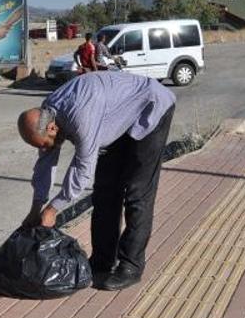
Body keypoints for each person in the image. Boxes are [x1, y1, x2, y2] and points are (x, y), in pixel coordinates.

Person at [17, 71, 175, 291]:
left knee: (137, 193)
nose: (46, 148)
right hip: (117, 118)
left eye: (45, 142)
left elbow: (82, 170)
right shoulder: (47, 113)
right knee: (105, 192)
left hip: (151, 107)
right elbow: (45, 163)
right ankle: (102, 261)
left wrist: (53, 209)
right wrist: (36, 207)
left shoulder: (81, 117)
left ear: (52, 128)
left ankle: (131, 266)